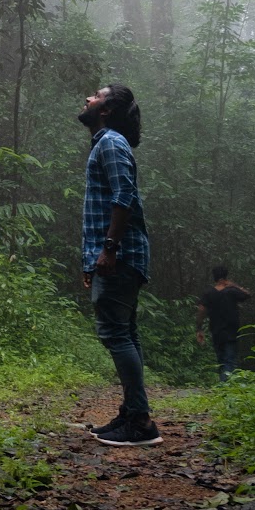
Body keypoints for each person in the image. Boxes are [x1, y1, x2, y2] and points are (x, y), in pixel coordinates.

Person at [79, 84, 162, 447]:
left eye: (95, 95)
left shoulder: (111, 142)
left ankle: (140, 422)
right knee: (125, 332)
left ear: (108, 108)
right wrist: (91, 258)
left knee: (116, 333)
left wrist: (109, 248)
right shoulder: (106, 143)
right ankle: (132, 414)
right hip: (118, 254)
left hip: (121, 254)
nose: (88, 98)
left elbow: (123, 194)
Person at [196, 264, 250, 383]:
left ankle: (223, 385)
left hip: (216, 330)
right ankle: (225, 387)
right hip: (231, 331)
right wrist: (233, 284)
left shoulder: (208, 293)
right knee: (229, 360)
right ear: (226, 276)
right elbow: (247, 294)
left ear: (214, 277)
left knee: (221, 360)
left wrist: (199, 329)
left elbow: (201, 310)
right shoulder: (232, 291)